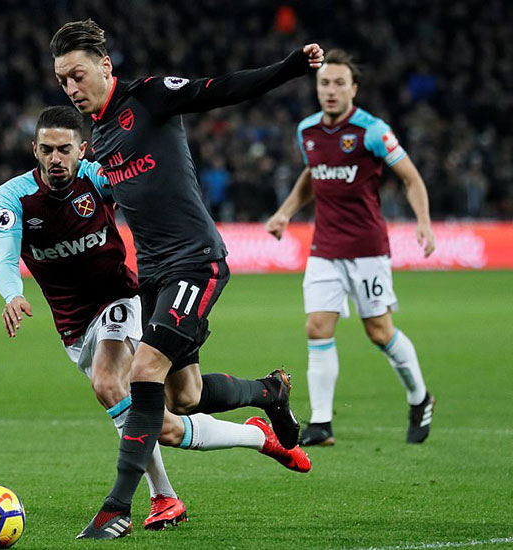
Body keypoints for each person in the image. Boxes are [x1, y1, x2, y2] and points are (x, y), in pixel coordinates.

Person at [50, 19, 323, 539]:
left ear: (105, 66)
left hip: (196, 260)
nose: (71, 88)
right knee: (185, 398)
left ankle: (120, 505)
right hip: (153, 273)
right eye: (63, 81)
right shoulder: (100, 138)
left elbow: (216, 90)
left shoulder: (149, 98)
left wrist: (288, 68)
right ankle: (269, 393)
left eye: (77, 75)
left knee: (143, 372)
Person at [0, 106, 310, 535]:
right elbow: (7, 257)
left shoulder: (97, 177)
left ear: (81, 149)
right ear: (34, 149)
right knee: (179, 407)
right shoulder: (13, 197)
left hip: (123, 301)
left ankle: (164, 497)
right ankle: (263, 411)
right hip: (73, 327)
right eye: (46, 149)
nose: (55, 158)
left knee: (108, 384)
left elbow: (149, 197)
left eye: (64, 149)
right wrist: (13, 294)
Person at [265, 49, 436, 447]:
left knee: (379, 332)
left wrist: (424, 223)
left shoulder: (372, 130)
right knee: (317, 327)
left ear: (353, 89)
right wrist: (285, 212)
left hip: (367, 250)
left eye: (339, 83)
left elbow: (411, 178)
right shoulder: (307, 130)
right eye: (324, 83)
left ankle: (420, 397)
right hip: (325, 248)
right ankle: (322, 423)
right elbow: (313, 175)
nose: (331, 90)